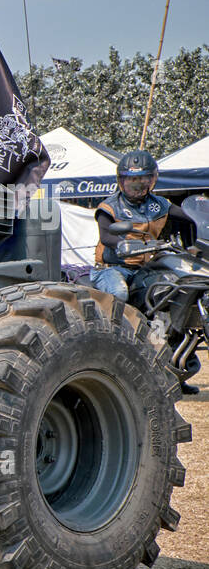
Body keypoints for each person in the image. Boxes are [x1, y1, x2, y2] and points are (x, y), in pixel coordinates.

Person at [91, 149, 200, 394]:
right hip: (111, 268)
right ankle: (113, 350)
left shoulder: (159, 205)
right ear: (121, 181)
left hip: (144, 269)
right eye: (132, 180)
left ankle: (177, 371)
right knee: (118, 294)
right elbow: (106, 235)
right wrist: (122, 244)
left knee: (173, 293)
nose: (138, 186)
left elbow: (190, 217)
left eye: (143, 180)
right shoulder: (109, 206)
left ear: (152, 180)